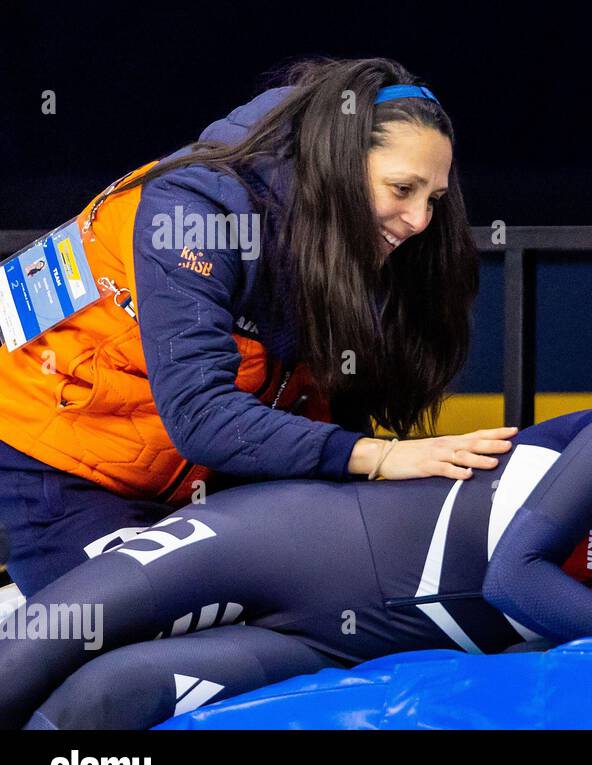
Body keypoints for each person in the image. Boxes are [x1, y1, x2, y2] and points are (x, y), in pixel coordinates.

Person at [0, 400, 592, 729]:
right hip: (289, 540)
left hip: (328, 646)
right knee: (39, 646)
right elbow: (515, 574)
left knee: (98, 709)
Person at [0, 57, 513, 596]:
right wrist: (379, 456)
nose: (420, 222)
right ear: (337, 160)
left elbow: (311, 412)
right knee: (140, 633)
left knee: (333, 597)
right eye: (402, 189)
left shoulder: (347, 232)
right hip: (59, 467)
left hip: (201, 477)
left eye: (432, 198)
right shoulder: (193, 214)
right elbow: (202, 415)